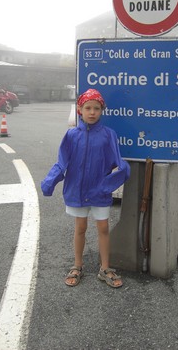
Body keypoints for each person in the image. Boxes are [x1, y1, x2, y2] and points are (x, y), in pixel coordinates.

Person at [41, 89, 130, 288]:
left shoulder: (109, 135)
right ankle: (77, 265)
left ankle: (105, 268)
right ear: (80, 110)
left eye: (96, 108)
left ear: (102, 110)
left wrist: (110, 182)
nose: (92, 112)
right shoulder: (71, 135)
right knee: (80, 227)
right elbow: (62, 162)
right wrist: (50, 181)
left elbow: (119, 162)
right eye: (87, 108)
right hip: (77, 191)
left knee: (104, 228)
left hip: (99, 191)